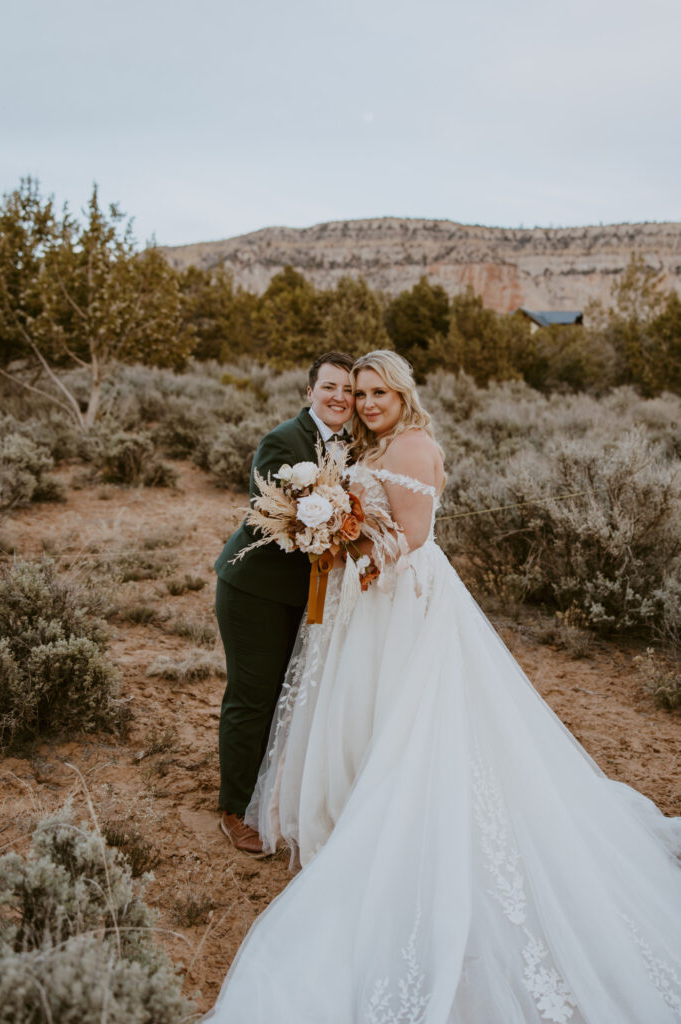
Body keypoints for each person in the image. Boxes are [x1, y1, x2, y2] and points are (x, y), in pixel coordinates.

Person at [207, 351, 681, 1021]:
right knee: (362, 706)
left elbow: (415, 537)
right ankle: (344, 801)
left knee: (411, 713)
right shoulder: (368, 443)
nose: (366, 401)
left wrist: (347, 547)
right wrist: (338, 536)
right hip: (365, 598)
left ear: (401, 393)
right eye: (358, 391)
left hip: (397, 597)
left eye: (377, 391)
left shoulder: (413, 445)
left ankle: (388, 813)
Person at [213, 350, 354, 856]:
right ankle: (233, 809)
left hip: (310, 596)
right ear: (310, 392)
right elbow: (274, 515)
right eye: (330, 387)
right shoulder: (283, 440)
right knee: (253, 696)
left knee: (290, 699)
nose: (340, 398)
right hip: (255, 591)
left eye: (349, 390)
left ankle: (270, 795)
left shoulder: (353, 446)